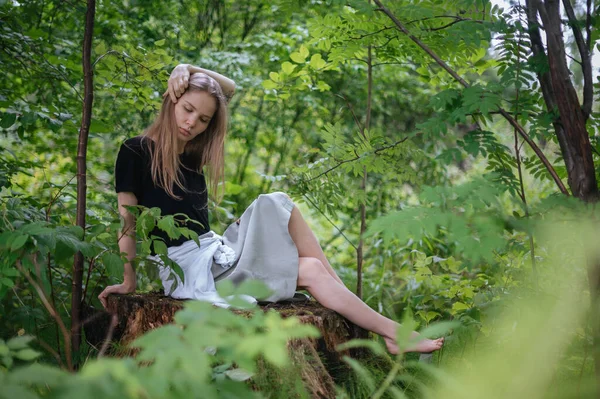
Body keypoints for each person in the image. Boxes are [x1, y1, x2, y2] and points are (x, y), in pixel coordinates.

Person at [98, 63, 444, 354]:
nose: (193, 123)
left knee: (277, 202)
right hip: (191, 271)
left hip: (216, 253)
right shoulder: (136, 150)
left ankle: (371, 321)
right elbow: (128, 222)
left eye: (203, 119)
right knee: (310, 271)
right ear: (172, 99)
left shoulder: (192, 154)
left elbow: (228, 89)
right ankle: (391, 331)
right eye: (188, 109)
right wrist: (128, 281)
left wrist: (189, 69)